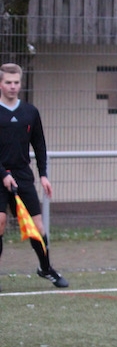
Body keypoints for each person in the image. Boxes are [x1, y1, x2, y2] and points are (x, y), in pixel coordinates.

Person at [0, 62, 68, 289]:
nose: (12, 86)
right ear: (1, 84)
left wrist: (44, 175)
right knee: (0, 222)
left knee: (38, 227)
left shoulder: (30, 112)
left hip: (22, 175)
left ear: (20, 83)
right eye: (8, 82)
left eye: (16, 82)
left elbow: (39, 145)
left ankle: (46, 268)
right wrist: (3, 175)